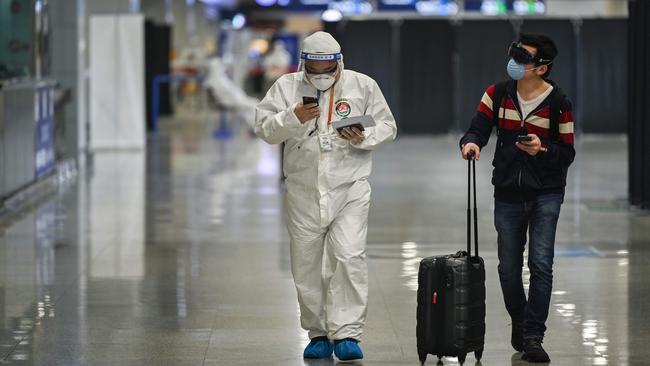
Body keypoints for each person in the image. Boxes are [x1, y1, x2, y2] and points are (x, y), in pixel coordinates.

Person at [255, 31, 397, 361]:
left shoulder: (363, 85)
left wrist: (364, 136)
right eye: (314, 71)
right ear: (304, 64)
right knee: (306, 265)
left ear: (339, 64)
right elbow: (264, 129)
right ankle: (317, 331)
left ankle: (347, 332)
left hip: (350, 187)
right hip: (303, 191)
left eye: (327, 71)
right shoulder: (286, 87)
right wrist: (292, 117)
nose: (320, 77)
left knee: (348, 257)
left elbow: (388, 126)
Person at [459, 33, 575, 363]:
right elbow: (477, 128)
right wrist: (471, 143)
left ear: (542, 68)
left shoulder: (559, 103)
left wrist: (543, 149)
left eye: (524, 57)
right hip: (508, 191)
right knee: (509, 269)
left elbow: (567, 153)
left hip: (547, 193)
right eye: (515, 53)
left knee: (540, 264)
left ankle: (533, 335)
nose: (515, 61)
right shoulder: (497, 94)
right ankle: (521, 320)